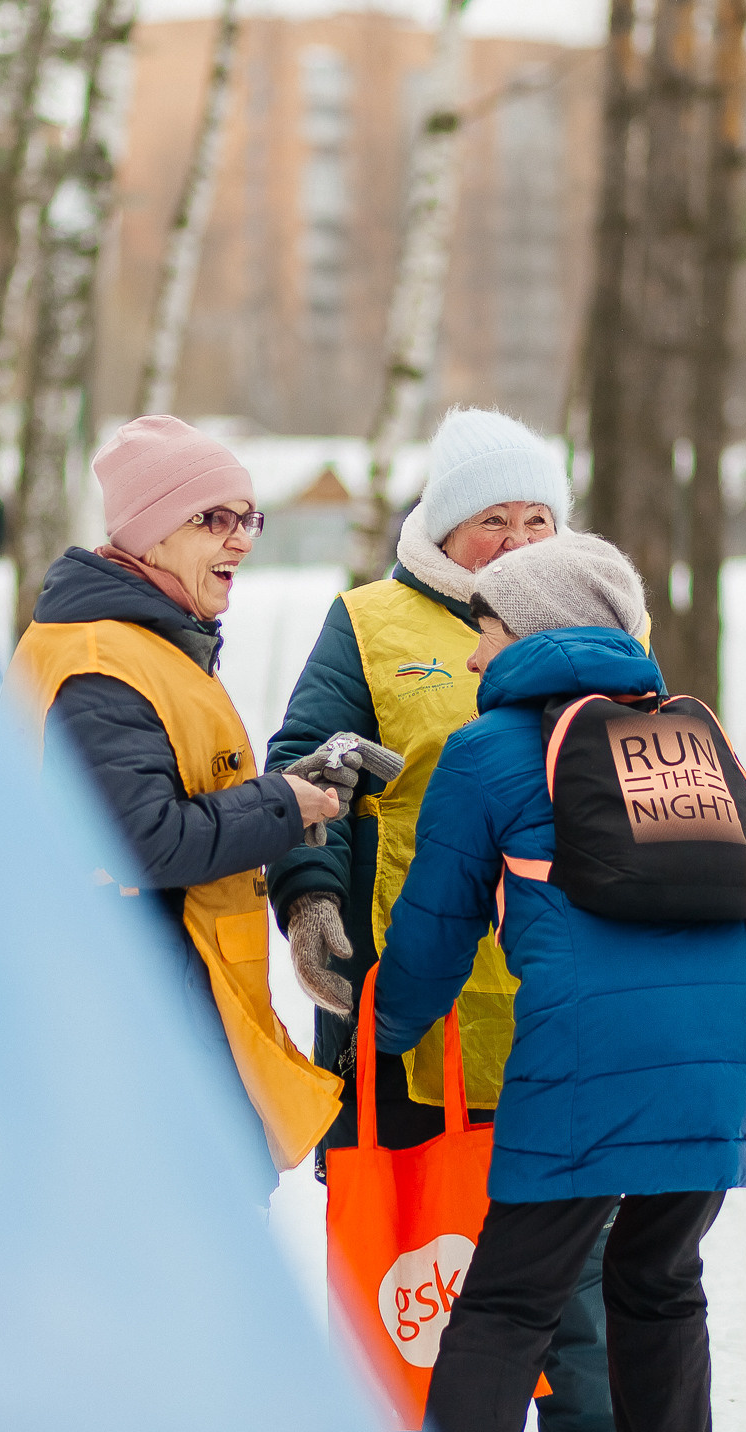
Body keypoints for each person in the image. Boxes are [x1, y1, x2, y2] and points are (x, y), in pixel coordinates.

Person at [370, 533, 746, 1432]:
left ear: (532, 631)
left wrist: (379, 1028)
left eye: (484, 628)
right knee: (659, 1282)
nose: (475, 651)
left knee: (508, 1303)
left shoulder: (485, 751)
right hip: (741, 1049)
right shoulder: (692, 731)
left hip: (594, 1054)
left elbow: (436, 933)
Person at [262, 407, 624, 1425]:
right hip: (411, 1022)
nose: (516, 542)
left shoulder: (592, 620)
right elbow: (307, 765)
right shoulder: (371, 621)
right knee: (429, 1316)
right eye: (492, 520)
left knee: (582, 1321)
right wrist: (312, 899)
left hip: (561, 1022)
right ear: (443, 526)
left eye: (537, 517)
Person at [7, 414, 346, 1193]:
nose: (241, 540)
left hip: (168, 1019)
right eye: (211, 520)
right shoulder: (101, 663)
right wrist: (285, 804)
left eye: (246, 517)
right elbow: (139, 839)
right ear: (149, 535)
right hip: (136, 1029)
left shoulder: (149, 643)